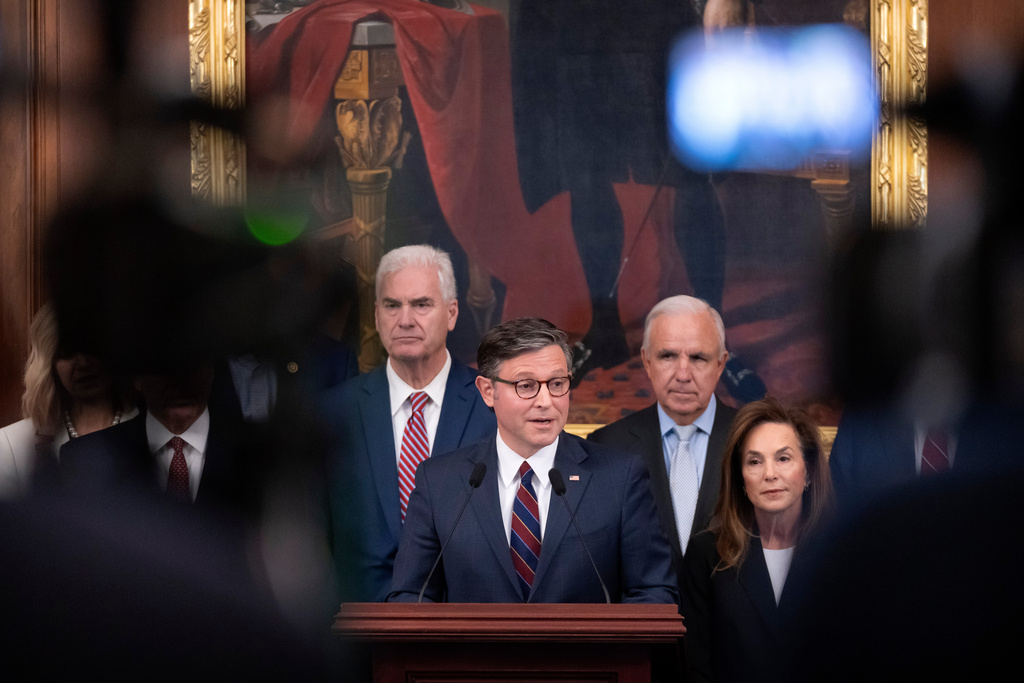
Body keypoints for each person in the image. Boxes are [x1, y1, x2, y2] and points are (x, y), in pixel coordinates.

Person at [388, 316, 677, 604]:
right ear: (488, 391)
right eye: (526, 386)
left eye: (556, 383)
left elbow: (654, 593)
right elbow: (410, 597)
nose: (545, 401)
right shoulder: (440, 482)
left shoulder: (619, 477)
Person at [322, 244, 495, 603]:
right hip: (357, 634)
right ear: (376, 314)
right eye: (392, 305)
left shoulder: (492, 408)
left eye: (421, 304)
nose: (404, 320)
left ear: (451, 314)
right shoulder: (334, 412)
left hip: (466, 632)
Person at [588, 295, 738, 593]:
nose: (683, 374)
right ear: (646, 361)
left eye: (698, 358)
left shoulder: (751, 440)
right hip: (645, 633)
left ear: (720, 364)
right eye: (668, 356)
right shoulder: (607, 446)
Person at [680, 396, 833, 683]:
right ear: (740, 477)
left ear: (809, 471)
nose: (770, 474)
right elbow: (695, 667)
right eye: (754, 461)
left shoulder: (843, 552)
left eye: (783, 458)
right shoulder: (707, 555)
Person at [0, 304, 136, 499]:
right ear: (49, 365)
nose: (83, 364)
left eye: (92, 349)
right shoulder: (11, 445)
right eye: (66, 353)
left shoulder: (152, 428)